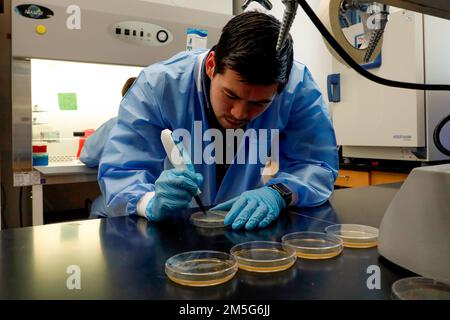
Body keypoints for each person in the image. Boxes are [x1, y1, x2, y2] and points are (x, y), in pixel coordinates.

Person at [98, 11, 338, 230]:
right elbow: (123, 171)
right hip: (172, 230)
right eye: (231, 95)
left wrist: (278, 193)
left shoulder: (297, 88)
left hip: (244, 229)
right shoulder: (158, 85)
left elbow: (316, 164)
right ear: (212, 65)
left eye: (260, 103)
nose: (239, 113)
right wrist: (150, 202)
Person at [80, 77, 136, 218]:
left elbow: (88, 156)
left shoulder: (116, 124)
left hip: (125, 197)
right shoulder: (164, 124)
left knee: (98, 206)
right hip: (154, 195)